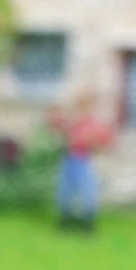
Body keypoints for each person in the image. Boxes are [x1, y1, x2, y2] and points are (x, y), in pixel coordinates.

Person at [49, 95, 115, 231]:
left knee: (88, 193)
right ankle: (64, 222)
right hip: (68, 159)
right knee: (64, 192)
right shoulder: (73, 123)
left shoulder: (95, 126)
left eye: (87, 107)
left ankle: (88, 224)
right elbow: (56, 125)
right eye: (81, 107)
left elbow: (107, 142)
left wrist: (94, 145)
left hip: (83, 160)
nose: (84, 111)